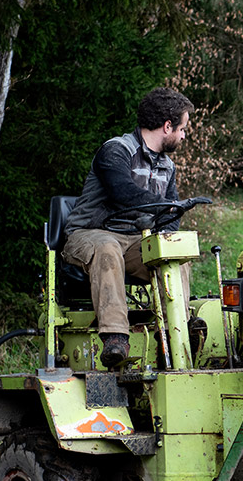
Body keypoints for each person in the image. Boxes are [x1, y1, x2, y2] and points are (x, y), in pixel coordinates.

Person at [62, 87, 195, 369]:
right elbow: (123, 192)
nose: (184, 136)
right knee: (107, 248)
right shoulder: (115, 151)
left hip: (134, 241)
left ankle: (177, 334)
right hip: (88, 234)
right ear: (167, 126)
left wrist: (170, 224)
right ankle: (115, 338)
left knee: (173, 254)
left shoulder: (167, 167)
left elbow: (168, 218)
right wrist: (168, 205)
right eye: (182, 129)